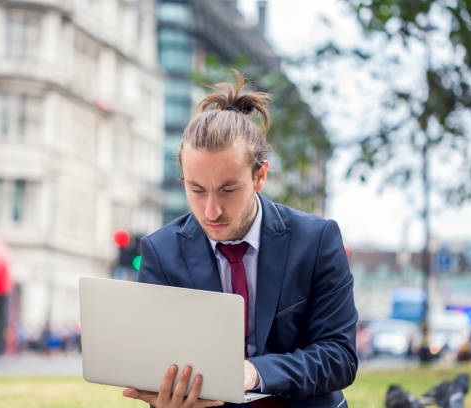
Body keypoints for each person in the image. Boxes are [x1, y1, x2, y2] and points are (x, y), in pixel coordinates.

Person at [122, 72, 358, 408]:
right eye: (197, 190)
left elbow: (340, 356)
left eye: (228, 190)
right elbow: (159, 358)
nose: (212, 210)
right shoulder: (161, 251)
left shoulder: (317, 240)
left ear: (260, 175)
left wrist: (255, 372)